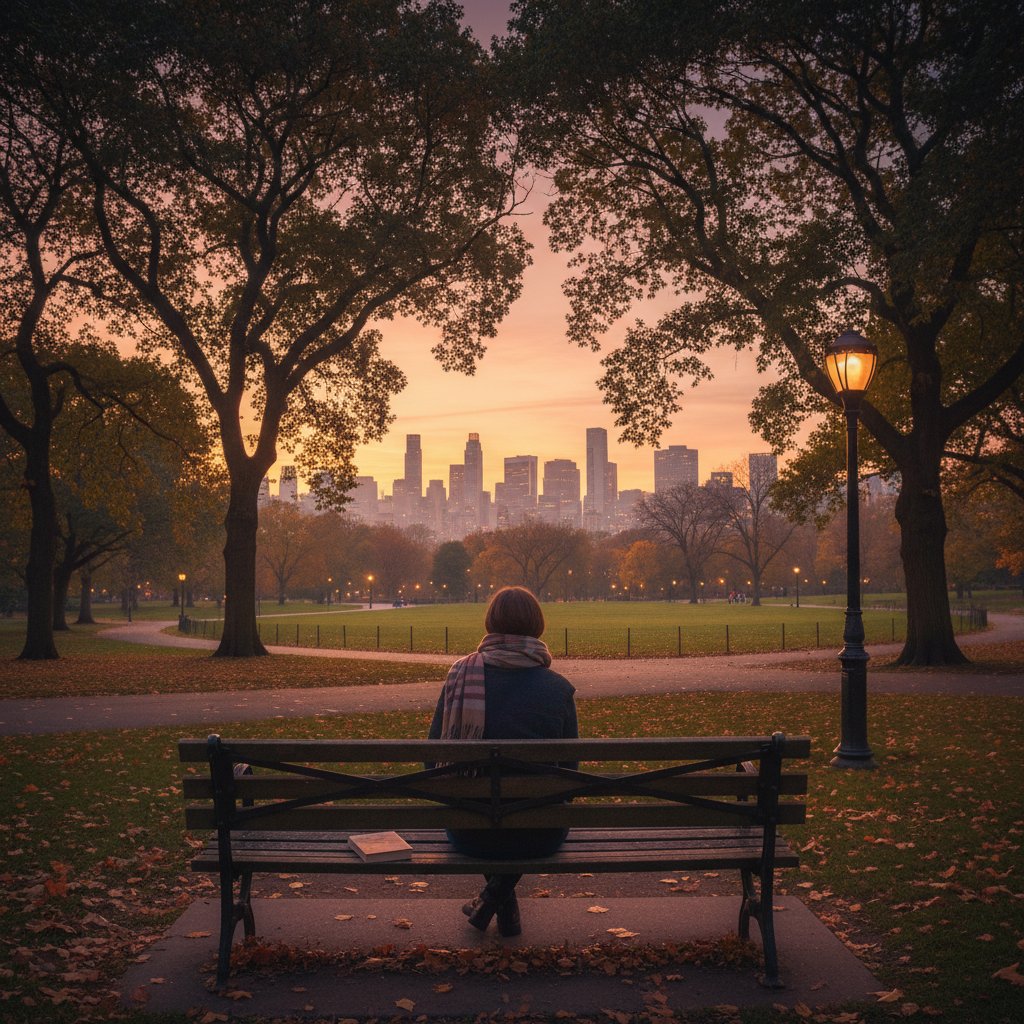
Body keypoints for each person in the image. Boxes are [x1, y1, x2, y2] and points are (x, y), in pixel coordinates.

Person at [427, 585, 578, 937]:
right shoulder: (558, 689)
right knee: (527, 815)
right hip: (540, 836)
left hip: (470, 832)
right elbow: (571, 776)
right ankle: (499, 897)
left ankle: (496, 898)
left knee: (485, 808)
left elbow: (432, 763)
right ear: (536, 625)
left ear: (491, 623)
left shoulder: (458, 679)